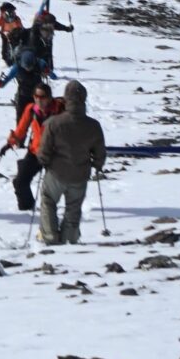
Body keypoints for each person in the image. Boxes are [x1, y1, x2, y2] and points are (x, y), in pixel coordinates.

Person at [35, 80, 107, 246]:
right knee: (73, 208)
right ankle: (69, 239)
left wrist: (43, 160)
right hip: (80, 174)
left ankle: (51, 237)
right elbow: (100, 152)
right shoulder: (93, 126)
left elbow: (44, 149)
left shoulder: (54, 123)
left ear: (66, 99)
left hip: (56, 173)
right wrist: (97, 165)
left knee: (48, 201)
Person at [0, 86, 66, 212]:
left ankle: (50, 212)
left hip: (55, 154)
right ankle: (27, 210)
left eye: (42, 97)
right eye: (36, 97)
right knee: (20, 182)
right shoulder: (31, 110)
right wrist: (9, 144)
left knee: (52, 188)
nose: (39, 100)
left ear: (49, 97)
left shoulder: (60, 111)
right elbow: (21, 129)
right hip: (36, 151)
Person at [0, 32, 55, 116]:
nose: (28, 69)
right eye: (26, 68)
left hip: (37, 97)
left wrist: (48, 72)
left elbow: (54, 76)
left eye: (30, 67)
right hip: (24, 96)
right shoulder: (17, 67)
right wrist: (1, 83)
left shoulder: (40, 63)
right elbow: (7, 79)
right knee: (21, 120)